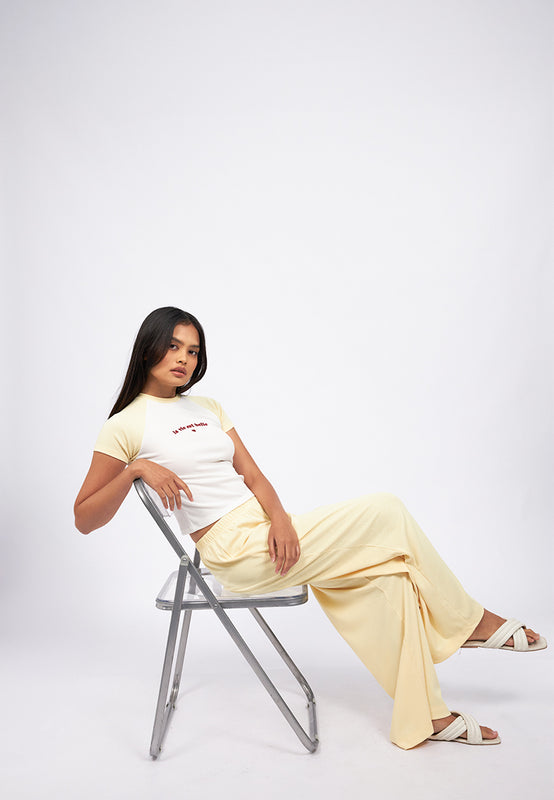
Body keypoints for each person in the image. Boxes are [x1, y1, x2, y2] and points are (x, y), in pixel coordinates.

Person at [74, 306, 546, 750]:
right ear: (148, 349)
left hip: (266, 528)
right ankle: (471, 623)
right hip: (232, 551)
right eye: (173, 346)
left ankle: (426, 718)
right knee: (386, 509)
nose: (183, 359)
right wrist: (136, 470)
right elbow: (84, 517)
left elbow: (253, 476)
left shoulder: (208, 407)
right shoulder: (125, 425)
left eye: (193, 351)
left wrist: (280, 519)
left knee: (393, 577)